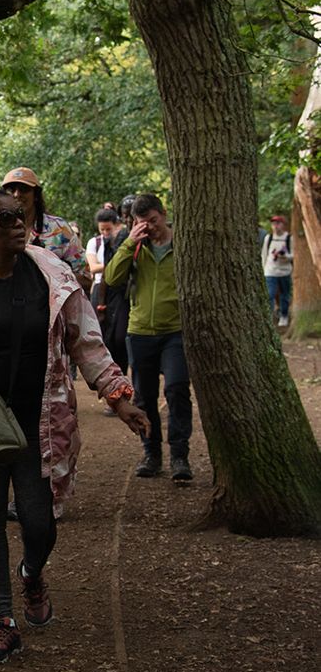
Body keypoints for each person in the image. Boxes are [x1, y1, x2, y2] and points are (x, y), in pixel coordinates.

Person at [0, 187, 147, 665]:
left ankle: (33, 571)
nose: (19, 223)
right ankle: (2, 621)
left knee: (39, 521)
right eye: (6, 219)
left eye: (20, 215)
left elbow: (88, 341)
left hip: (42, 419)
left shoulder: (52, 274)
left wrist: (119, 396)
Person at [104, 192, 194, 483]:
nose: (150, 227)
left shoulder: (182, 243)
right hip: (140, 330)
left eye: (153, 221)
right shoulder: (133, 246)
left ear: (164, 214)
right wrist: (131, 241)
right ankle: (151, 453)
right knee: (144, 396)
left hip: (175, 330)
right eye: (143, 223)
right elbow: (112, 279)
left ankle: (180, 455)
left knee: (177, 388)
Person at [1, 166, 91, 292]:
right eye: (11, 190)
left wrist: (50, 279)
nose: (17, 194)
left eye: (24, 189)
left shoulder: (59, 229)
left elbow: (86, 279)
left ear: (36, 195)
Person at [262, 214, 293, 328]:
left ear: (283, 225)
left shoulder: (289, 238)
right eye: (274, 223)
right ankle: (269, 317)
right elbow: (264, 254)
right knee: (270, 294)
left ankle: (284, 315)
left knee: (284, 295)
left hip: (285, 271)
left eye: (278, 223)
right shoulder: (268, 238)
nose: (276, 226)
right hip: (270, 271)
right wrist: (263, 268)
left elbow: (293, 255)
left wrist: (286, 257)